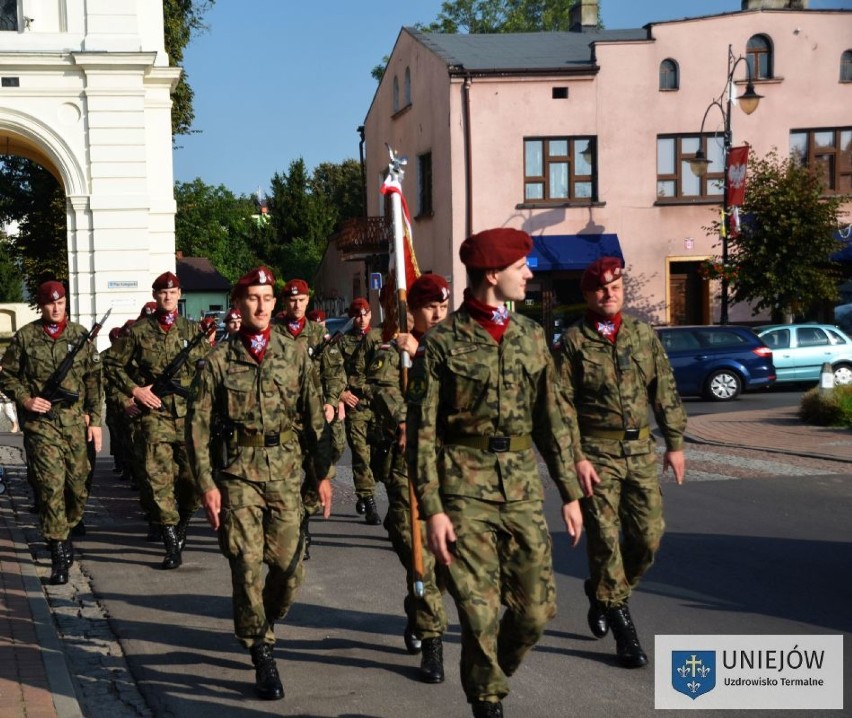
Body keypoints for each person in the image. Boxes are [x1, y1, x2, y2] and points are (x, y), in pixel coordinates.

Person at [407, 228, 585, 718]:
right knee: (479, 612)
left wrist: (569, 491)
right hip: (463, 490)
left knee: (535, 612)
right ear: (492, 274)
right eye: (520, 267)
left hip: (523, 488)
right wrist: (434, 510)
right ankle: (487, 702)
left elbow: (551, 418)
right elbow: (422, 434)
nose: (529, 274)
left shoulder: (530, 335)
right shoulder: (441, 343)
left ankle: (492, 674)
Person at [186, 266, 333, 701]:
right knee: (246, 563)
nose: (263, 305)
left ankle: (262, 622)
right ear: (237, 304)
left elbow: (314, 419)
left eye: (268, 297)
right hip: (238, 475)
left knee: (289, 570)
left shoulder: (295, 354)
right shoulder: (217, 362)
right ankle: (262, 651)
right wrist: (207, 484)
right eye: (253, 297)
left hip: (286, 472)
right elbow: (195, 428)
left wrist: (321, 475)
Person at [555, 256, 687, 669]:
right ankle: (623, 628)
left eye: (615, 286)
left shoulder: (642, 335)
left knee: (649, 537)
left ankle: (602, 590)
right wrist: (575, 458)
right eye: (600, 288)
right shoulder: (573, 343)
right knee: (606, 539)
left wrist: (675, 442)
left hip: (640, 453)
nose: (608, 293)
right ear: (587, 295)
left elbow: (663, 388)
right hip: (597, 455)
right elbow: (560, 407)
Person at [364, 273, 451, 683]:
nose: (437, 314)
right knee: (419, 557)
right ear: (410, 310)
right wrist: (407, 416)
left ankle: (418, 611)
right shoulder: (391, 352)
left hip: (452, 471)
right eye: (429, 307)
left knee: (447, 563)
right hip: (406, 471)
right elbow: (385, 393)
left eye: (442, 306)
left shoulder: (454, 351)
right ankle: (433, 643)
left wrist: (423, 356)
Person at [104, 271, 210, 570]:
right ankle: (170, 539)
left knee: (191, 480)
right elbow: (111, 365)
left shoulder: (193, 331)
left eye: (172, 292)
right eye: (162, 293)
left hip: (188, 417)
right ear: (155, 295)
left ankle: (183, 523)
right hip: (155, 416)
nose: (167, 297)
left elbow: (210, 371)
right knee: (157, 480)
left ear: (179, 295)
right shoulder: (138, 332)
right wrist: (134, 390)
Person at [0, 281, 104, 585]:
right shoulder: (26, 337)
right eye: (49, 303)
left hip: (74, 423)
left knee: (78, 486)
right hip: (41, 425)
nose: (56, 308)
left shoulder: (80, 336)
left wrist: (95, 421)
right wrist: (25, 399)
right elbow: (7, 376)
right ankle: (59, 552)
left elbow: (94, 381)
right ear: (41, 306)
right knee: (50, 487)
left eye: (60, 303)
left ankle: (67, 527)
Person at [272, 279, 345, 558]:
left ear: (307, 300)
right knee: (285, 478)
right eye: (291, 300)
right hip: (283, 419)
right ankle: (294, 531)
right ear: (284, 302)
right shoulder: (273, 334)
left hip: (314, 418)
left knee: (320, 473)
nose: (297, 304)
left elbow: (335, 372)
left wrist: (330, 401)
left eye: (301, 300)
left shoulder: (318, 335)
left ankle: (303, 519)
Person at [338, 297, 383, 524]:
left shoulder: (380, 339)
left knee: (378, 456)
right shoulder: (342, 342)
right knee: (360, 454)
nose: (362, 318)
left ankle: (366, 490)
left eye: (365, 313)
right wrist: (341, 393)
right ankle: (369, 499)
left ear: (371, 314)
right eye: (357, 314)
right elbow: (332, 372)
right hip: (355, 405)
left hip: (379, 406)